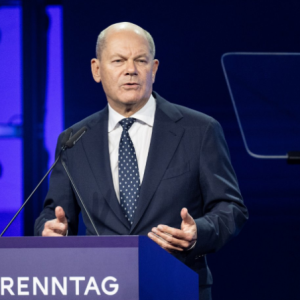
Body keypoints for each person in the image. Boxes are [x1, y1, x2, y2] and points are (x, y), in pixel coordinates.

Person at [35, 22, 248, 300]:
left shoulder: (200, 130)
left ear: (154, 68)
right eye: (118, 61)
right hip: (99, 289)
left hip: (175, 286)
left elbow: (231, 207)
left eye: (141, 60)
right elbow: (55, 213)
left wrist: (198, 233)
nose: (131, 69)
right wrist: (50, 229)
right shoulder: (74, 140)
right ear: (96, 70)